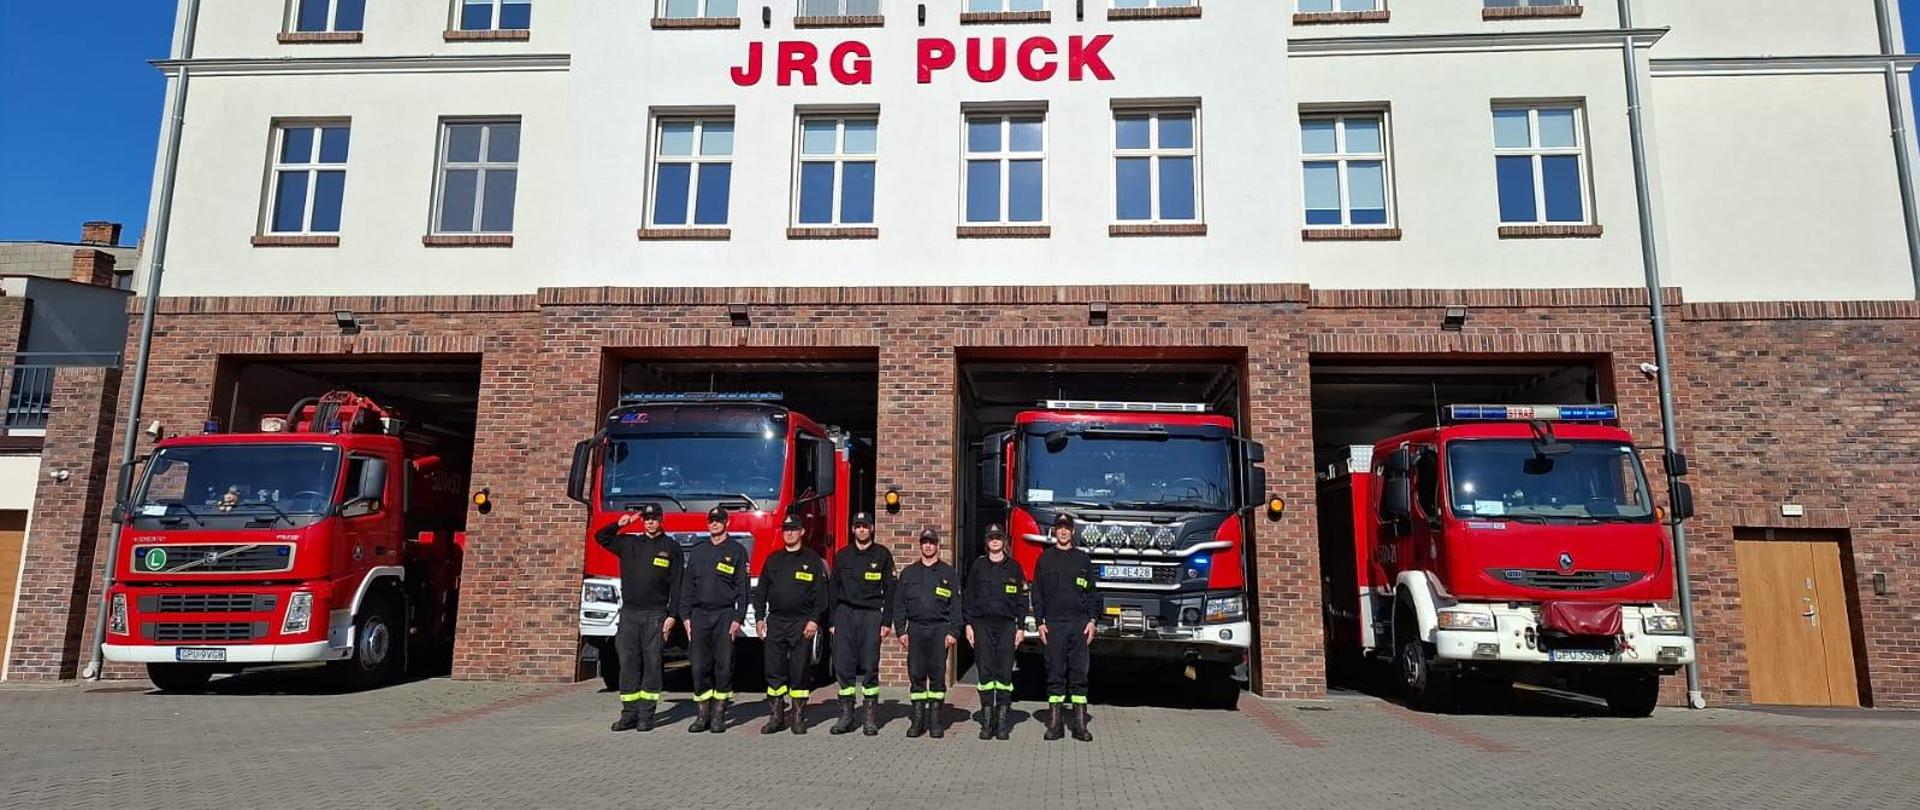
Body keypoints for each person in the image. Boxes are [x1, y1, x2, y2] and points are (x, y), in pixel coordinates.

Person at [596, 504, 682, 732]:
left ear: (661, 520)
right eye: (646, 518)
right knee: (628, 663)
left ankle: (646, 715)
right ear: (642, 521)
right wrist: (620, 524)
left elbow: (677, 584)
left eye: (654, 518)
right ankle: (629, 714)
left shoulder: (671, 547)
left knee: (652, 664)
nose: (650, 522)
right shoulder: (629, 543)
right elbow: (601, 537)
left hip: (656, 614)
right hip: (629, 614)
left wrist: (673, 615)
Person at [752, 514, 828, 735]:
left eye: (794, 529)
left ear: (802, 532)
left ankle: (798, 717)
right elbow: (761, 592)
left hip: (801, 623)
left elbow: (820, 595)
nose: (790, 533)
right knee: (773, 670)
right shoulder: (773, 560)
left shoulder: (812, 560)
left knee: (799, 670)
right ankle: (776, 717)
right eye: (786, 530)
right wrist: (759, 618)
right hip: (776, 622)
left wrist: (814, 620)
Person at [683, 506, 749, 733]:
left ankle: (719, 715)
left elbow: (742, 587)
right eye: (711, 520)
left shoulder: (737, 551)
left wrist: (739, 617)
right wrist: (685, 617)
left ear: (726, 523)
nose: (714, 524)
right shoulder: (698, 551)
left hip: (725, 615)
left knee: (724, 666)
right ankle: (702, 716)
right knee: (699, 666)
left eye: (718, 520)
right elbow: (687, 585)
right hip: (699, 615)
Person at [1032, 513, 1097, 742]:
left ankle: (1080, 725)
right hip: (1054, 625)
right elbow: (1037, 593)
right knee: (1055, 673)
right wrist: (1039, 622)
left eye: (1067, 528)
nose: (1063, 531)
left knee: (1079, 674)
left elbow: (1092, 593)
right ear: (1054, 531)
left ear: (1072, 531)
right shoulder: (1045, 559)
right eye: (1059, 527)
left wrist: (1092, 620)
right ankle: (1055, 724)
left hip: (1079, 625)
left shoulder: (1083, 560)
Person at [828, 512, 893, 735]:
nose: (862, 530)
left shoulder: (882, 555)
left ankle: (869, 718)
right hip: (845, 614)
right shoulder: (842, 555)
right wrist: (832, 620)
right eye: (858, 526)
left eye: (865, 526)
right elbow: (833, 589)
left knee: (870, 665)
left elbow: (890, 590)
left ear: (872, 528)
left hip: (871, 615)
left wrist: (887, 621)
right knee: (843, 666)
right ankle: (846, 716)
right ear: (853, 529)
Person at [893, 528, 961, 739]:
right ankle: (918, 720)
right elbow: (899, 605)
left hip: (940, 630)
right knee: (916, 675)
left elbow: (956, 606)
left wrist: (954, 632)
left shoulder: (948, 574)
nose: (928, 546)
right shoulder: (909, 573)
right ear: (920, 545)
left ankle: (935, 721)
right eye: (925, 542)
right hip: (915, 629)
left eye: (931, 542)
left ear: (937, 545)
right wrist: (901, 631)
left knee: (938, 676)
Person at [964, 523, 1027, 741]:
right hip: (982, 625)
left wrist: (1021, 627)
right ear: (986, 542)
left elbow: (1022, 600)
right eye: (991, 538)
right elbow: (969, 597)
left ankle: (1002, 721)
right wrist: (968, 624)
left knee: (1004, 674)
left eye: (998, 537)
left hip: (1007, 626)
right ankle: (987, 720)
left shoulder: (1015, 568)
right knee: (985, 673)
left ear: (1004, 541)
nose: (995, 541)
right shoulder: (978, 567)